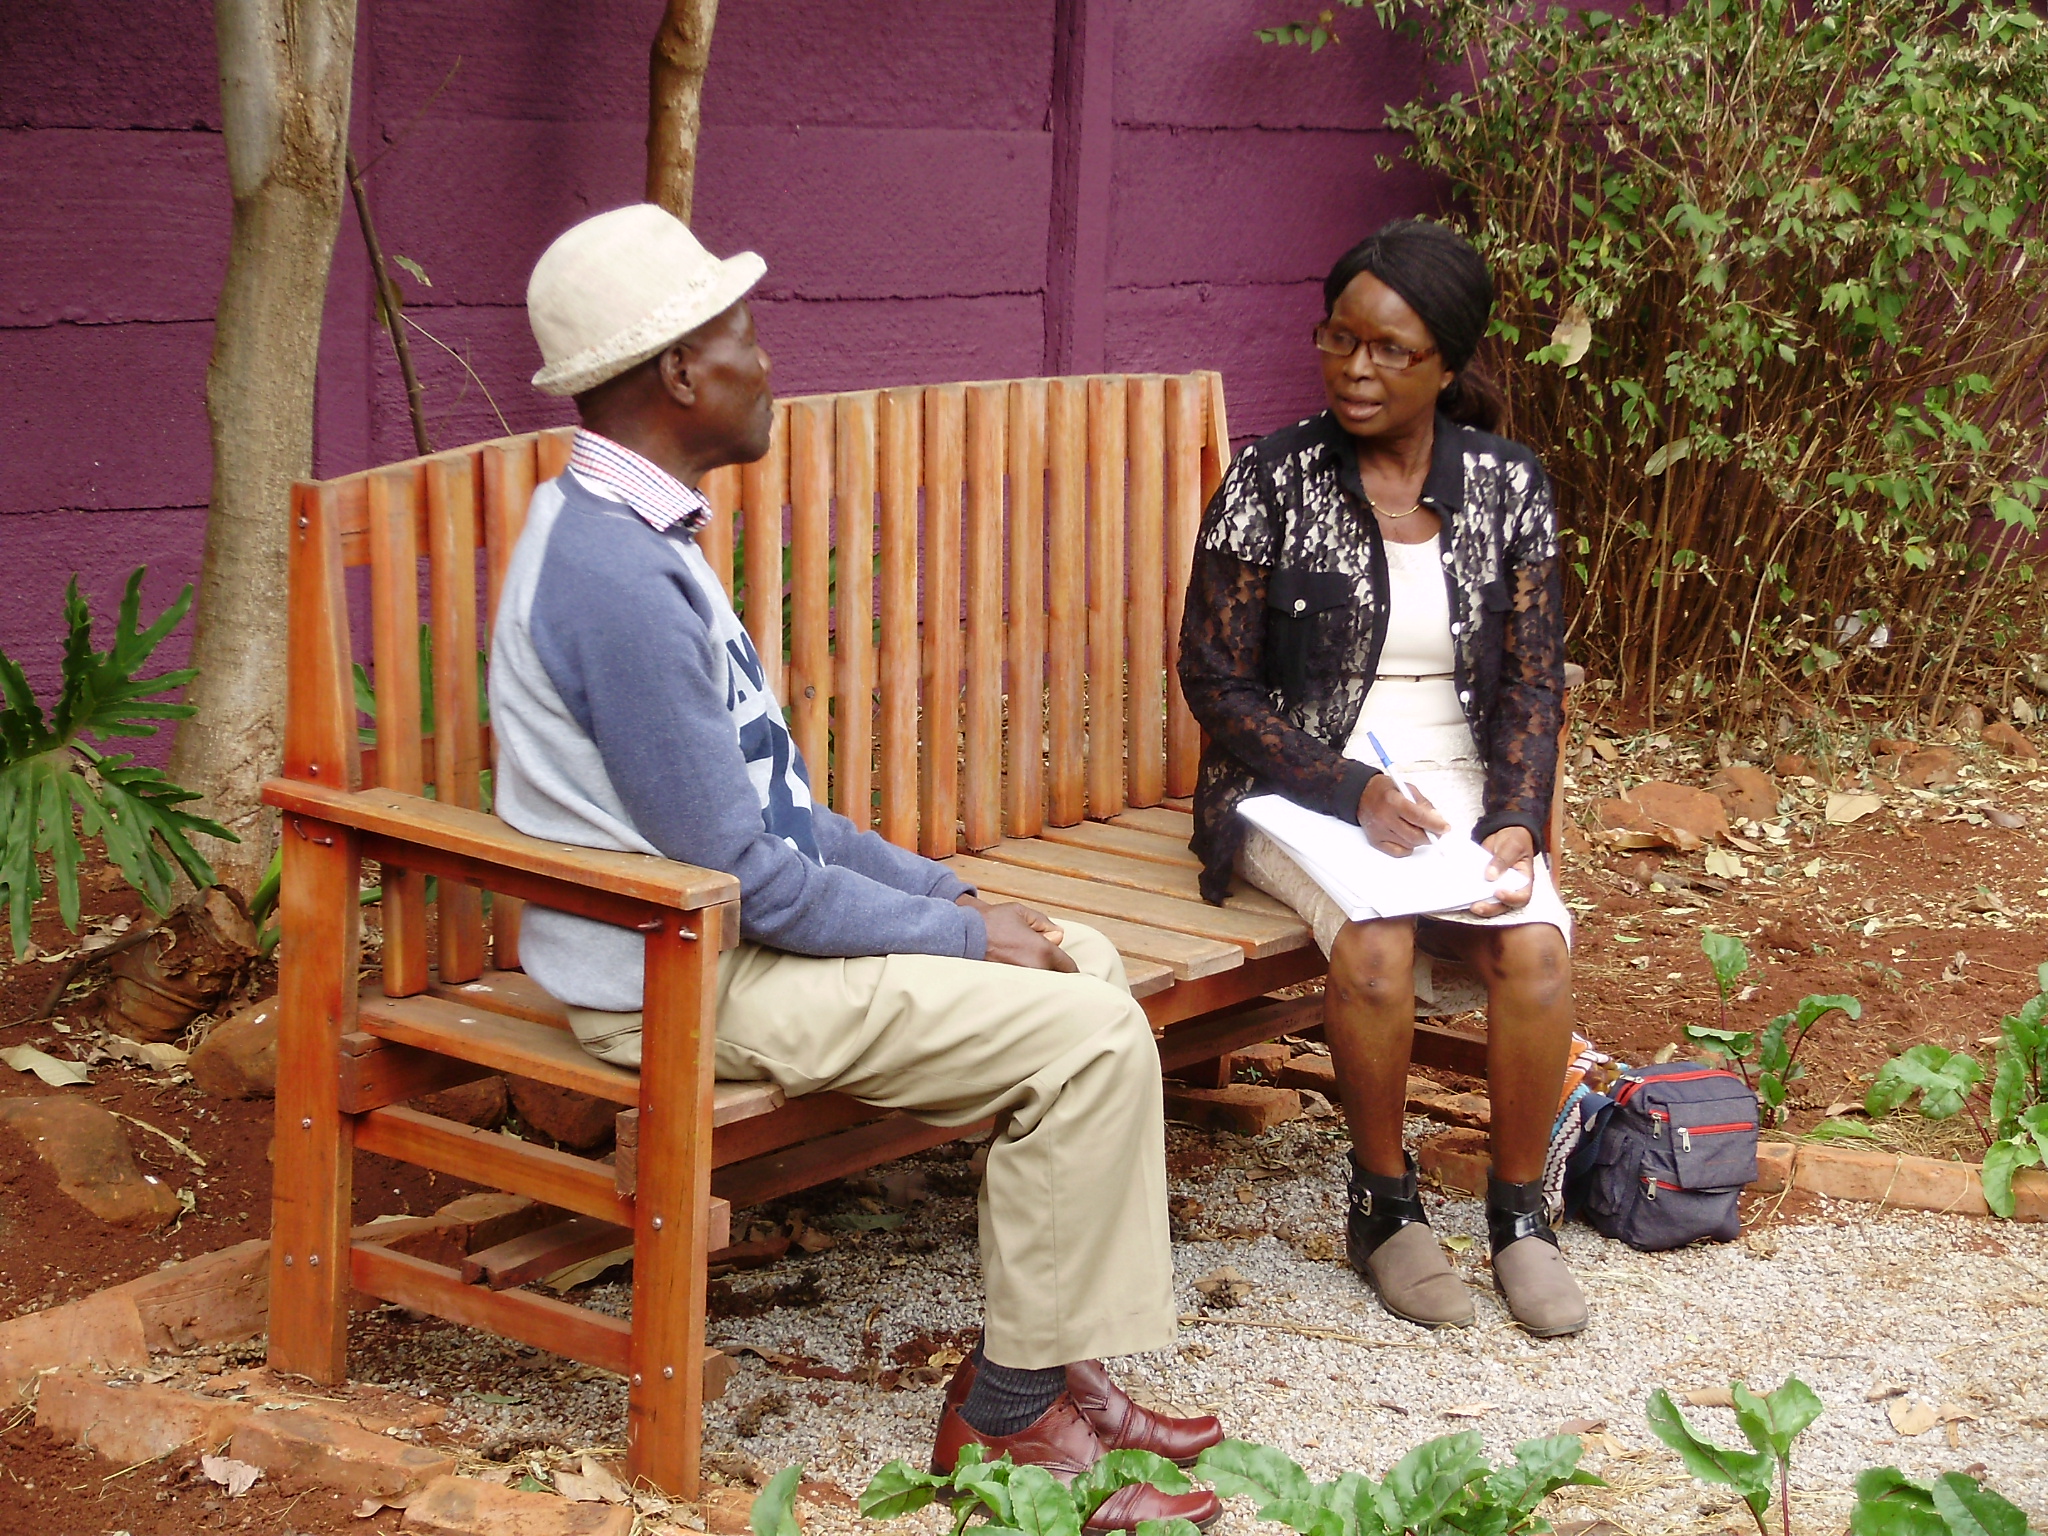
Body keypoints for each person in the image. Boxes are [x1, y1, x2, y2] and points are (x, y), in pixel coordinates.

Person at [488, 204, 1223, 1525]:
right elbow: (741, 872)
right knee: (1088, 1037)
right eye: (743, 334)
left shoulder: (639, 531)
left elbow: (774, 813)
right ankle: (1002, 1423)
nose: (766, 360)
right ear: (677, 374)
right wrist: (957, 939)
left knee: (1089, 961)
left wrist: (950, 897)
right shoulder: (612, 577)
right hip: (681, 973)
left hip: (724, 935)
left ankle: (1056, 1369)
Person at [1176, 219, 1587, 1338]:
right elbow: (1214, 678)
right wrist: (1347, 787)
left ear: (1448, 364)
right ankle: (1384, 1202)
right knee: (1374, 943)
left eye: (1388, 351)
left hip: (1452, 777)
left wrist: (1512, 818)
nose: (1355, 370)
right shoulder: (1271, 477)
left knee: (1533, 949)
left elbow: (1535, 682)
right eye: (1337, 341)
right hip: (1293, 778)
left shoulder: (1507, 487)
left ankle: (1517, 1214)